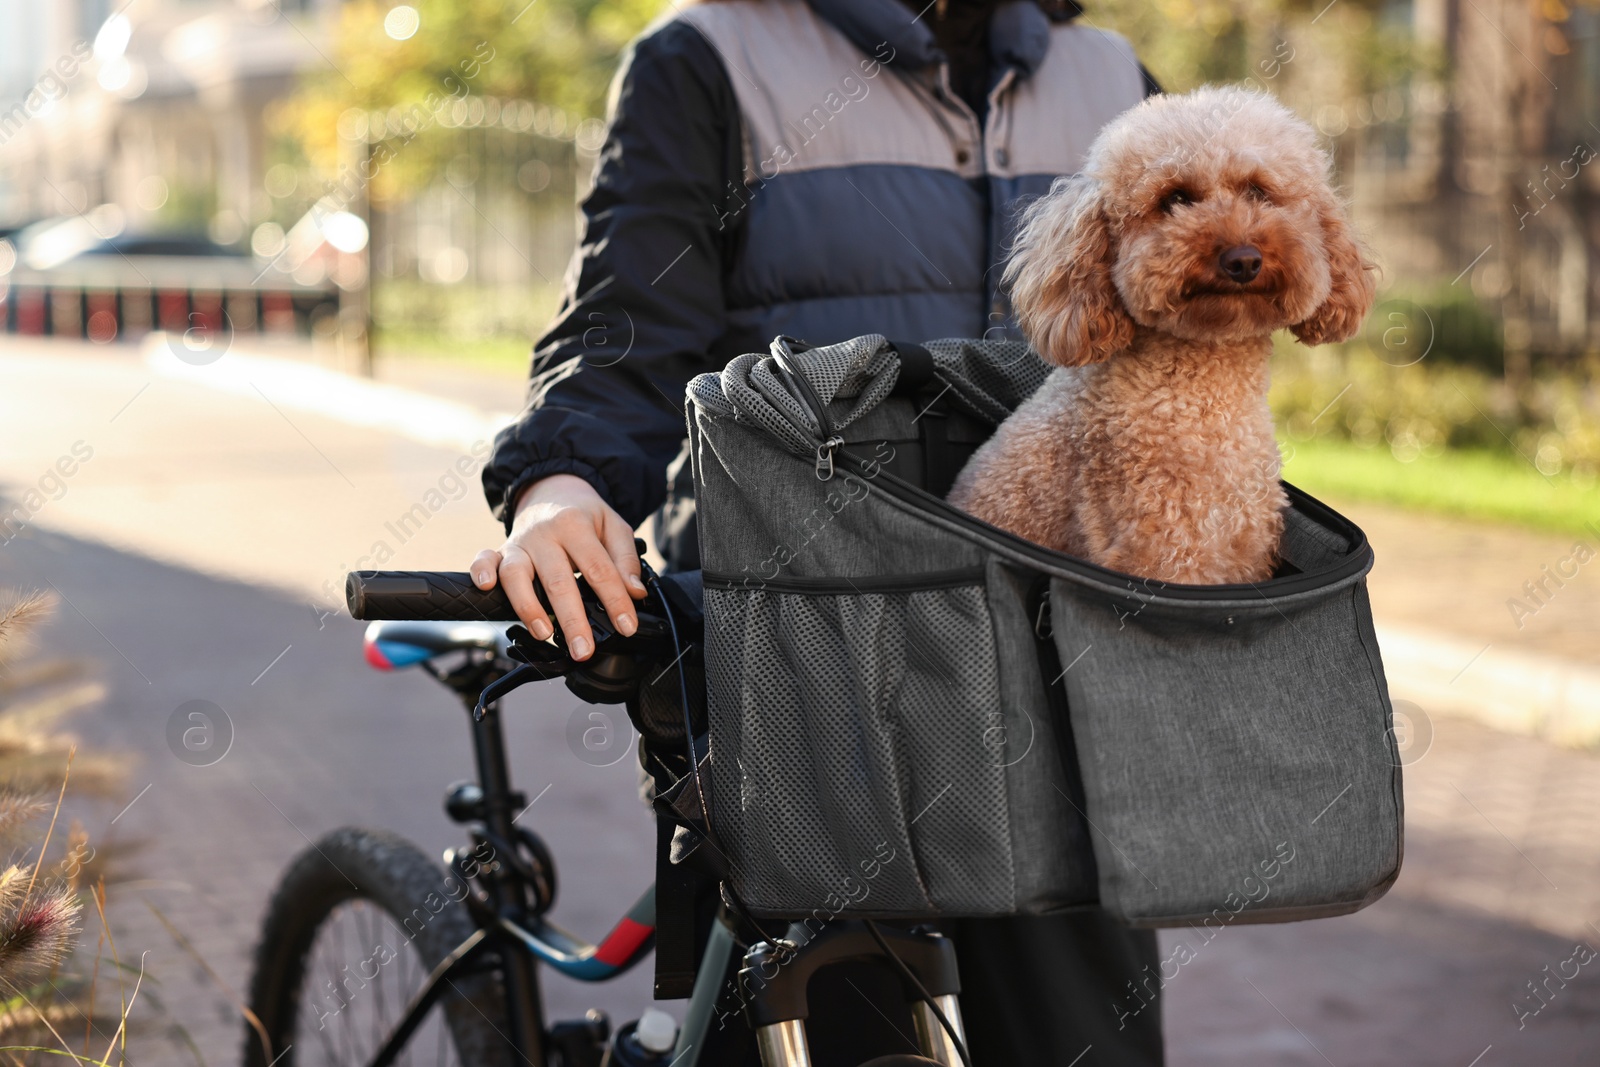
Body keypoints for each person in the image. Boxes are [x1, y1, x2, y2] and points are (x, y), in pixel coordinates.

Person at [471, 1, 1165, 1062]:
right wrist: (561, 484)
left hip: (1063, 679)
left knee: (1087, 1041)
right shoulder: (714, 59)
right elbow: (625, 325)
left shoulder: (1111, 77)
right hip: (806, 664)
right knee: (825, 1024)